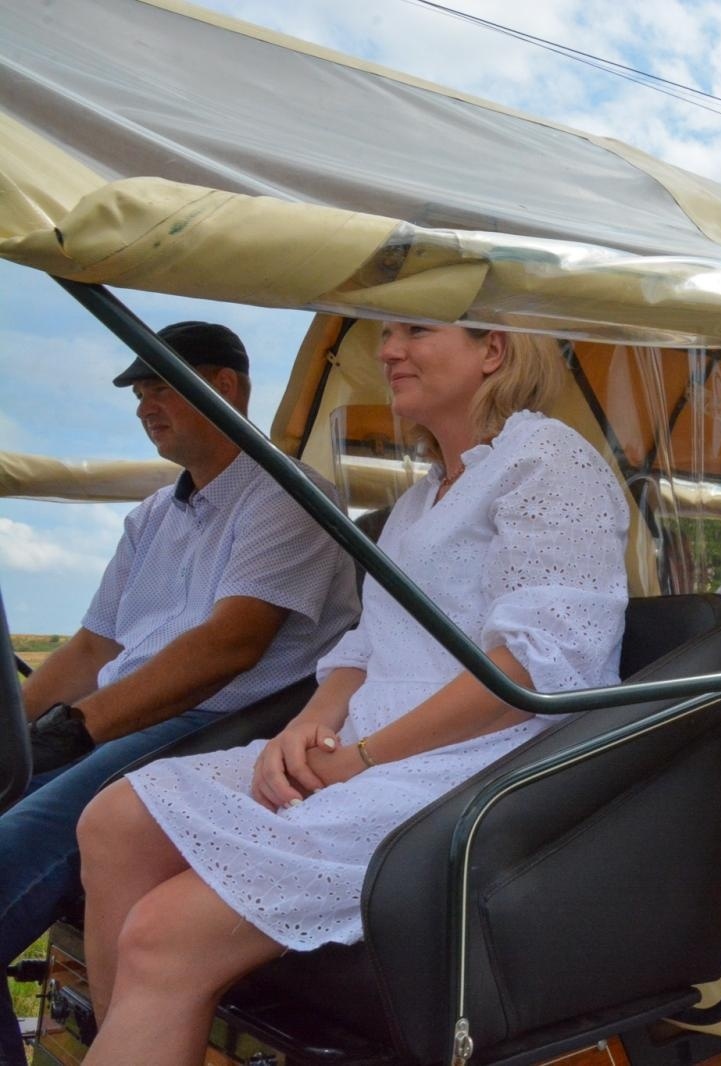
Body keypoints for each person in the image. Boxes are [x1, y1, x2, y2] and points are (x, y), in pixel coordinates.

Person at [73, 323, 631, 1064]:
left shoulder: (547, 459)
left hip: (474, 764)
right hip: (369, 744)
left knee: (162, 936)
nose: (388, 350)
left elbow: (534, 667)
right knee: (115, 818)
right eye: (387, 334)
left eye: (416, 331)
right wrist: (304, 729)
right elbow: (367, 647)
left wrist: (363, 758)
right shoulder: (423, 497)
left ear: (492, 351)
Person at [0, 322, 359, 1066]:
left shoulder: (288, 495)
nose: (144, 406)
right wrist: (14, 732)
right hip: (121, 719)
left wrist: (74, 730)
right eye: (138, 392)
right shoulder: (152, 517)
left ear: (224, 386)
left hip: (216, 724)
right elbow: (92, 649)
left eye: (160, 386)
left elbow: (230, 646)